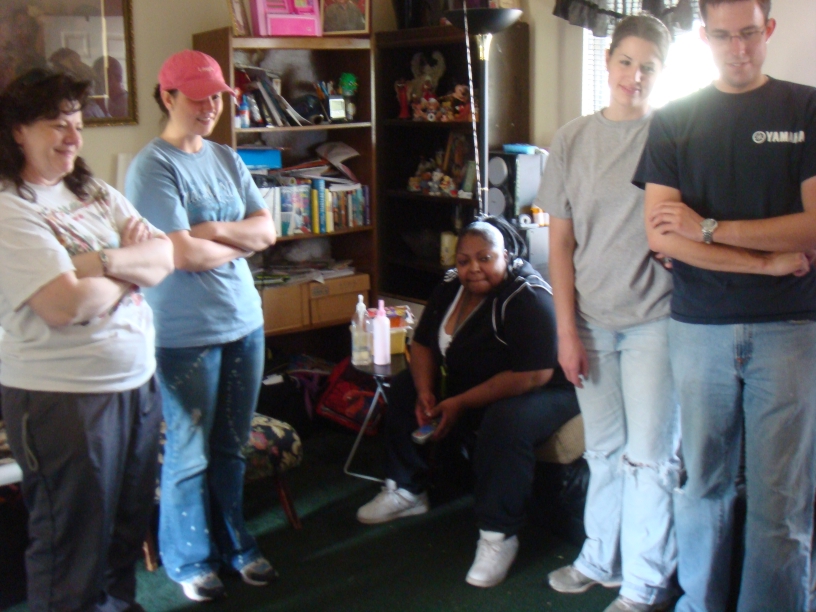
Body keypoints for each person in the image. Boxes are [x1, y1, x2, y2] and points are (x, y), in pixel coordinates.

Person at [634, 0, 816, 610]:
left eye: (749, 34)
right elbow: (663, 237)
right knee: (701, 487)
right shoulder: (674, 119)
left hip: (790, 327)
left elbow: (814, 226)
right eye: (722, 35)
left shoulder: (806, 108)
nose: (737, 48)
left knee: (781, 500)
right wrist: (765, 259)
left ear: (769, 30)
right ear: (703, 36)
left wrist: (708, 228)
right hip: (699, 327)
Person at [0, 68, 173, 611]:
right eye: (57, 124)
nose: (73, 137)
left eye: (77, 123)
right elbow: (64, 305)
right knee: (72, 551)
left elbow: (164, 258)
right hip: (63, 398)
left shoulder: (92, 190)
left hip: (135, 384)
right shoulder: (10, 206)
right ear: (18, 131)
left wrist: (97, 264)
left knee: (124, 532)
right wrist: (127, 266)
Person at [537, 15, 678, 612]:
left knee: (650, 459)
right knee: (603, 451)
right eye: (626, 62)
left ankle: (645, 582)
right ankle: (601, 559)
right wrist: (566, 331)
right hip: (590, 323)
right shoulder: (572, 139)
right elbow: (560, 246)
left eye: (648, 67)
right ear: (608, 62)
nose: (634, 76)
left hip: (655, 322)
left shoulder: (674, 135)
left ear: (661, 73)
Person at [125, 49, 277, 603]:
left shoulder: (227, 158)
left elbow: (268, 231)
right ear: (167, 97)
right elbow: (179, 255)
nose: (210, 106)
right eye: (198, 97)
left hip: (244, 321)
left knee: (232, 447)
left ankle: (237, 544)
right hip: (183, 334)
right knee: (190, 452)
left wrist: (210, 230)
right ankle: (190, 560)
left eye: (217, 96)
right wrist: (230, 239)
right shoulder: (152, 167)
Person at [355, 217, 580, 589]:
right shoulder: (450, 285)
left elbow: (532, 376)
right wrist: (426, 391)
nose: (473, 268)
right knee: (405, 385)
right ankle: (406, 490)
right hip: (482, 379)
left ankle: (498, 535)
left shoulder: (529, 297)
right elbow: (422, 343)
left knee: (505, 422)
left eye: (485, 258)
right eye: (464, 260)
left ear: (505, 255)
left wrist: (459, 402)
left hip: (549, 388)